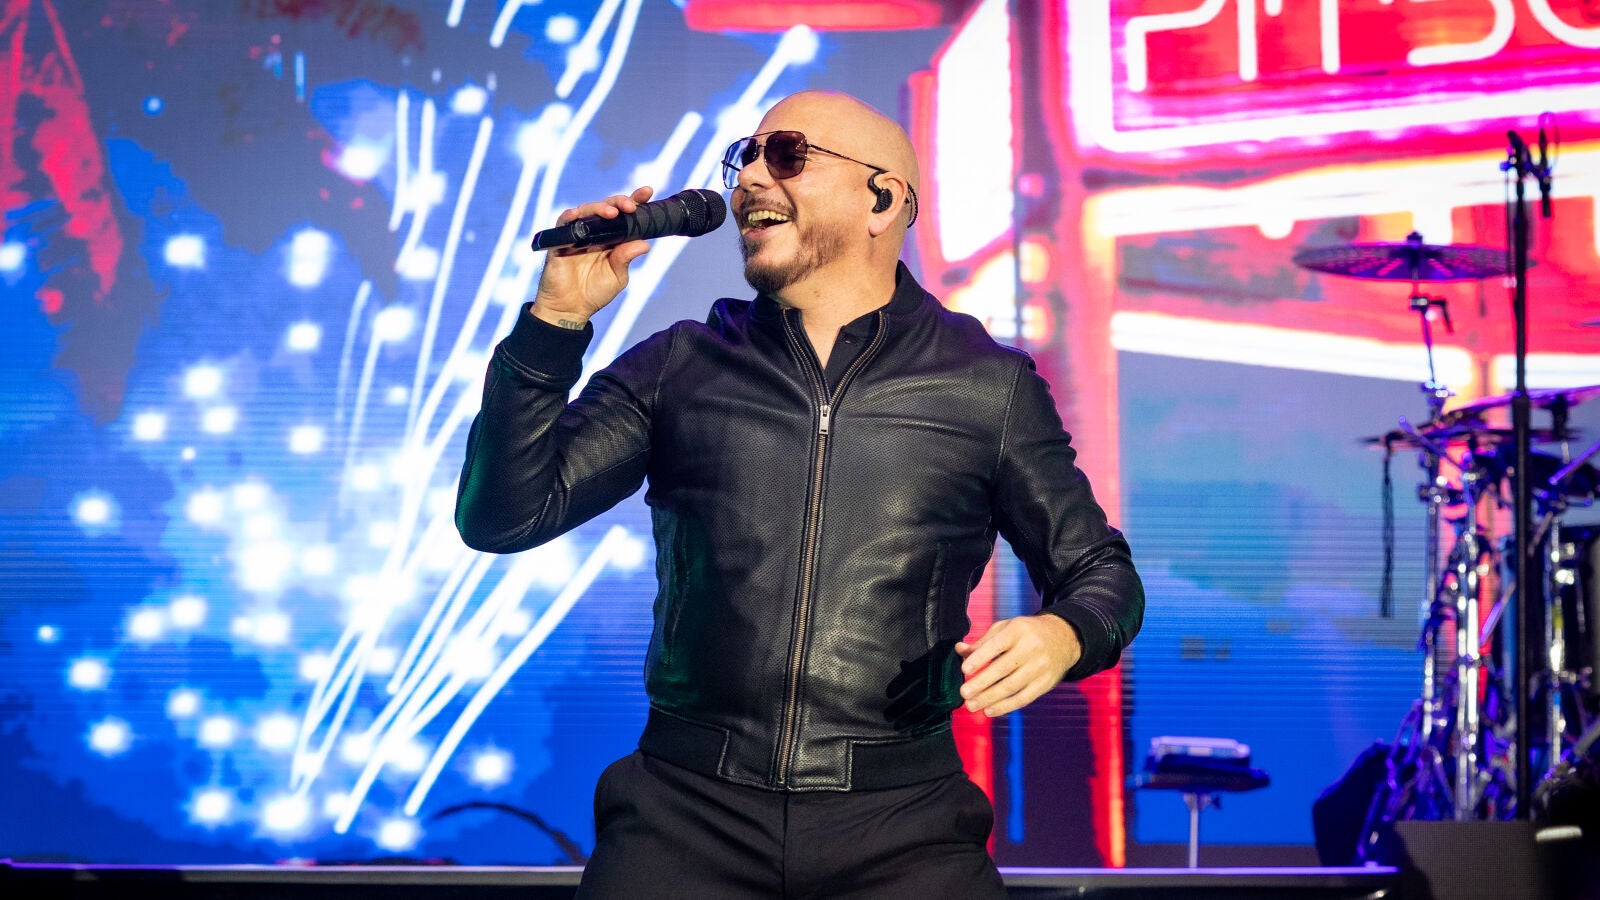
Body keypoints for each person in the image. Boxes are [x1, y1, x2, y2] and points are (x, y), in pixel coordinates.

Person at [456, 90, 1143, 899]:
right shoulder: (681, 364)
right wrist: (554, 320)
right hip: (683, 814)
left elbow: (1101, 574)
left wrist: (1065, 634)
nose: (750, 178)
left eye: (785, 155)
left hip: (904, 825)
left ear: (882, 199)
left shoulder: (986, 387)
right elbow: (502, 516)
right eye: (743, 158)